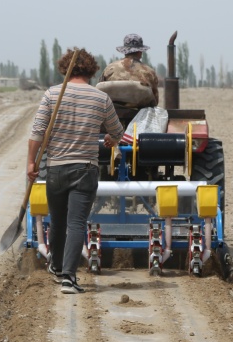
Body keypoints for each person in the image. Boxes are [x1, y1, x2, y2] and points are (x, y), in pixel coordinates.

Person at [27, 48, 124, 294]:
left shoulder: (52, 94)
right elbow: (117, 131)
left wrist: (31, 163)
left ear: (65, 68)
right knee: (77, 222)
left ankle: (57, 266)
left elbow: (37, 133)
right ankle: (68, 277)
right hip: (85, 169)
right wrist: (112, 140)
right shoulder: (101, 98)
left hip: (56, 169)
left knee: (57, 222)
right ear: (91, 71)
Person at [100, 33, 159, 107]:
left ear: (124, 51)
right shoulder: (150, 72)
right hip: (142, 116)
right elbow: (155, 101)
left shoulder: (109, 69)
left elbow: (100, 93)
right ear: (140, 52)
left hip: (113, 115)